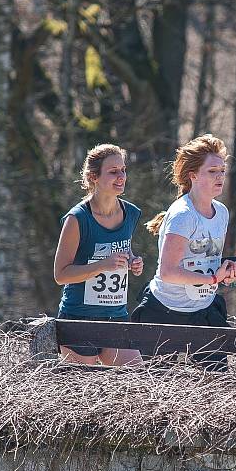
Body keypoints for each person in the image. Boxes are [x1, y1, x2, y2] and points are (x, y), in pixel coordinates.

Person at [131, 134, 236, 371]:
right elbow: (168, 272)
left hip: (203, 310)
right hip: (165, 313)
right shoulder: (183, 215)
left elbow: (204, 258)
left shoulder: (221, 212)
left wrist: (225, 269)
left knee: (217, 386)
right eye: (212, 171)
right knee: (160, 390)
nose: (220, 176)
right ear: (193, 175)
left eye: (222, 170)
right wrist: (212, 279)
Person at [53, 144, 144, 365]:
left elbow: (122, 249)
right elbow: (61, 275)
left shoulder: (130, 213)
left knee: (138, 382)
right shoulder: (77, 219)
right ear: (94, 177)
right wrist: (103, 265)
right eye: (113, 172)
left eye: (123, 170)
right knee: (80, 391)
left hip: (116, 315)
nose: (121, 176)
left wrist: (132, 261)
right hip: (79, 317)